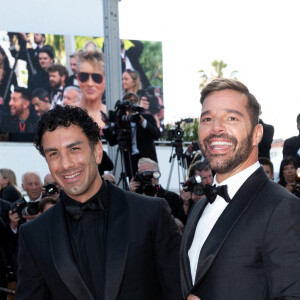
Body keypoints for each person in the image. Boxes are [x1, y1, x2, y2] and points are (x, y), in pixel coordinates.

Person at [16, 105, 182, 300]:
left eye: (74, 149)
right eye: (53, 154)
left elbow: (177, 292)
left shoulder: (150, 214)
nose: (66, 164)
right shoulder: (34, 235)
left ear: (97, 151)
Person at [180, 78, 300, 300]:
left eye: (231, 118)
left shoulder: (282, 208)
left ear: (257, 134)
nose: (216, 128)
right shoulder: (199, 207)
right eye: (207, 118)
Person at [103, 92, 161, 178]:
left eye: (134, 101)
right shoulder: (122, 120)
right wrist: (107, 125)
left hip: (147, 159)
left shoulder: (147, 117)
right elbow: (112, 141)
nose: (132, 103)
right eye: (129, 101)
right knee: (133, 187)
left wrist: (142, 121)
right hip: (130, 160)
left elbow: (157, 134)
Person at [130, 157, 186, 224]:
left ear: (156, 174)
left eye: (146, 172)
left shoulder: (171, 197)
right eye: (139, 173)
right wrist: (131, 194)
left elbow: (173, 224)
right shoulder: (135, 197)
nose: (142, 176)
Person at [76, 48, 106, 129]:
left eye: (96, 78)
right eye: (84, 77)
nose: (90, 83)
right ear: (78, 79)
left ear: (105, 81)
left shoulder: (111, 115)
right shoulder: (67, 114)